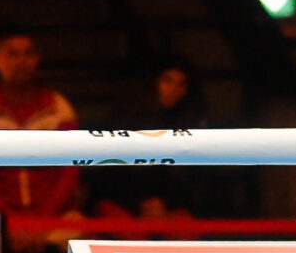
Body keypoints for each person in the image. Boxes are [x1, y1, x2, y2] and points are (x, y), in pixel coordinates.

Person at [0, 30, 82, 253]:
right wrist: (8, 221)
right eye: (12, 54)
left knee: (85, 247)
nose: (21, 61)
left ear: (37, 59)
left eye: (28, 54)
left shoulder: (59, 109)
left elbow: (69, 173)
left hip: (53, 213)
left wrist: (41, 221)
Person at [87, 60, 209, 222]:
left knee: (186, 230)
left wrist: (164, 203)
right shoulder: (126, 117)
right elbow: (109, 174)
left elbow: (186, 179)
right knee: (129, 231)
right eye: (168, 81)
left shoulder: (189, 124)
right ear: (154, 82)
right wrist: (140, 202)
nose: (173, 90)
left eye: (181, 84)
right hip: (120, 200)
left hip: (165, 205)